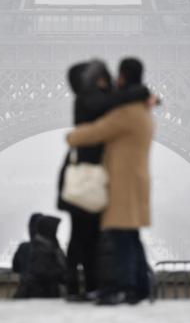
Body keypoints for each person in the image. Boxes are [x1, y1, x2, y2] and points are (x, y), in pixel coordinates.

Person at [57, 59, 152, 300]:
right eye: (102, 78)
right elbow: (107, 110)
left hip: (97, 180)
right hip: (92, 180)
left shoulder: (118, 108)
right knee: (98, 237)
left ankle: (114, 287)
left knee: (105, 237)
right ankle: (116, 287)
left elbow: (102, 123)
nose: (108, 81)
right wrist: (139, 93)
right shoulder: (94, 100)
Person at [14, 215, 68, 298]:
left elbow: (15, 268)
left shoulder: (26, 247)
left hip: (31, 293)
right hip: (42, 294)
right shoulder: (48, 249)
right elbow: (44, 271)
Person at [12, 212, 43, 297]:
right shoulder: (53, 248)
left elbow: (15, 268)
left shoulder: (23, 248)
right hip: (47, 296)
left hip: (25, 293)